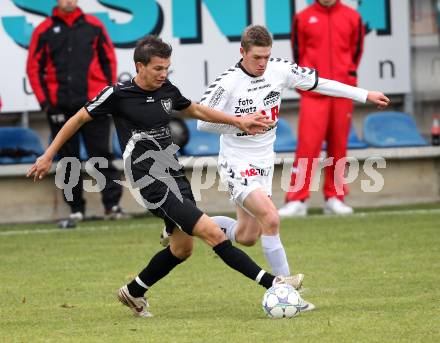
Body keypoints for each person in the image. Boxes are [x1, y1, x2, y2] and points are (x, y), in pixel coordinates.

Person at [27, 35, 314, 318]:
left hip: (173, 173)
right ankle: (275, 284)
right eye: (157, 69)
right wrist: (49, 154)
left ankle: (133, 291)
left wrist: (239, 121)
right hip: (148, 180)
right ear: (139, 66)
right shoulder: (117, 95)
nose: (163, 74)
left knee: (182, 248)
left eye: (167, 68)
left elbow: (198, 109)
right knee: (212, 233)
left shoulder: (167, 91)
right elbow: (78, 118)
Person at [194, 25, 388, 282]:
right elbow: (201, 122)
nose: (263, 63)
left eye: (266, 56)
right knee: (271, 218)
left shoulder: (280, 70)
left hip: (264, 161)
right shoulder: (227, 82)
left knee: (247, 236)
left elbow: (320, 83)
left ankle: (188, 225)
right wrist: (239, 121)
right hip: (236, 161)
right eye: (256, 57)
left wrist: (364, 94)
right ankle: (285, 290)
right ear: (242, 51)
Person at [26, 0, 123, 222]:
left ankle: (112, 206)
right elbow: (34, 68)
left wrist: (106, 96)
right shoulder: (44, 30)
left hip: (94, 104)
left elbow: (109, 61)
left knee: (101, 155)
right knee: (68, 160)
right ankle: (76, 209)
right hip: (60, 107)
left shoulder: (94, 26)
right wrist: (47, 104)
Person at [278, 0, 366, 217]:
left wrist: (347, 75)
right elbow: (298, 53)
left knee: (339, 146)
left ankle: (335, 197)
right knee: (307, 147)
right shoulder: (303, 17)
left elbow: (356, 52)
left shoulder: (352, 17)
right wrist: (307, 83)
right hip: (313, 92)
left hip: (342, 91)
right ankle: (297, 199)